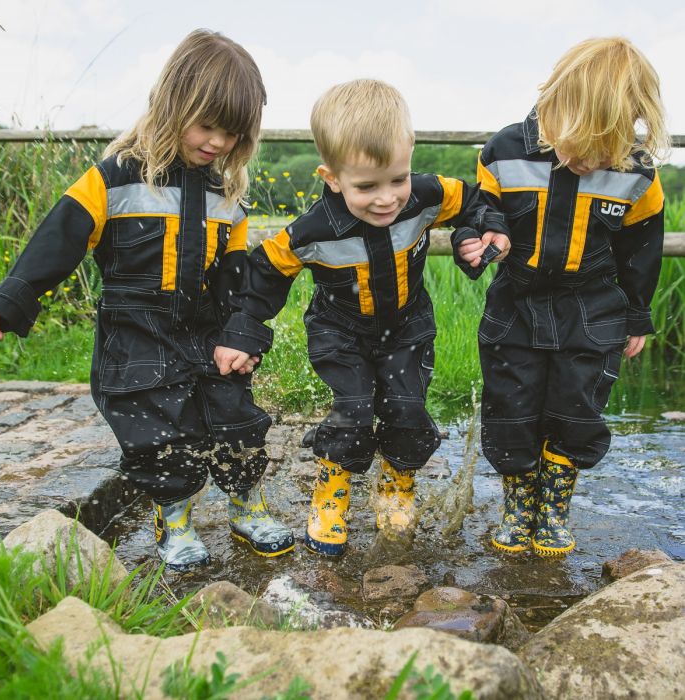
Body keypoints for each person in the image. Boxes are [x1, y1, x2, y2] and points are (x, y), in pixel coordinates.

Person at [0, 29, 295, 570]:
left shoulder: (228, 201)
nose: (218, 142)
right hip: (138, 335)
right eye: (207, 125)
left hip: (206, 331)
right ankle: (173, 518)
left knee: (238, 422)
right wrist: (13, 296)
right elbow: (59, 238)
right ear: (173, 104)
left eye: (231, 132)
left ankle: (247, 505)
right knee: (161, 435)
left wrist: (239, 335)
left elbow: (237, 279)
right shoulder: (115, 180)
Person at [215, 79, 509, 555]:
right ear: (332, 177)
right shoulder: (311, 231)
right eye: (366, 186)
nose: (387, 198)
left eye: (398, 179)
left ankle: (397, 484)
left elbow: (476, 202)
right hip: (340, 332)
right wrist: (243, 332)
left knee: (407, 409)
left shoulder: (429, 195)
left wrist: (478, 233)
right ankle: (331, 494)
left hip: (408, 327)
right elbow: (264, 275)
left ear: (409, 155)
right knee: (352, 412)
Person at [456, 37, 670, 556]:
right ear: (557, 105)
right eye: (589, 142)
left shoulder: (636, 172)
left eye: (611, 142)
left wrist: (636, 317)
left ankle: (553, 508)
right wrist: (486, 232)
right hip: (517, 303)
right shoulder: (505, 149)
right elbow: (482, 206)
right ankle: (518, 504)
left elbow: (641, 251)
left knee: (578, 408)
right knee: (512, 404)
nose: (597, 157)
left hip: (591, 306)